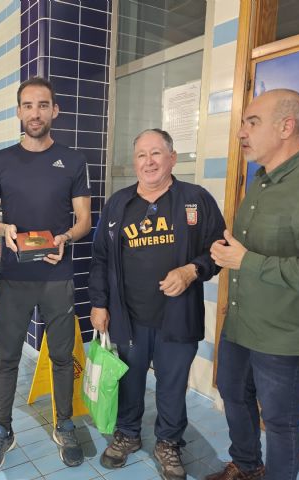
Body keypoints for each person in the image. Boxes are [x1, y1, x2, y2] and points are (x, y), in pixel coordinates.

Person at [208, 89, 299, 480]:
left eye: (252, 122)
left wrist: (247, 261)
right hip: (244, 322)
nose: (241, 133)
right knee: (232, 391)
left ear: (286, 127)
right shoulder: (262, 182)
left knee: (281, 422)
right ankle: (248, 466)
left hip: (288, 334)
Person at [89, 128, 225, 480]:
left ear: (172, 158)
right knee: (130, 380)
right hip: (129, 315)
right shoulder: (118, 203)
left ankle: (168, 442)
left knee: (171, 384)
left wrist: (192, 270)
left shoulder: (195, 200)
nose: (148, 162)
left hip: (177, 317)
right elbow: (101, 258)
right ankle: (128, 434)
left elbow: (218, 250)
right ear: (134, 162)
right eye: (141, 155)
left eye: (156, 154)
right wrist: (100, 304)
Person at [0, 76, 92, 474]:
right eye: (28, 105)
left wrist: (64, 237)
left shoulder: (74, 161)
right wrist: (3, 230)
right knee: (7, 358)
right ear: (19, 112)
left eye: (43, 105)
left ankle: (64, 424)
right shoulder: (1, 160)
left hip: (58, 273)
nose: (35, 112)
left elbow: (84, 220)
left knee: (62, 356)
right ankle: (1, 429)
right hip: (14, 275)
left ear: (54, 111)